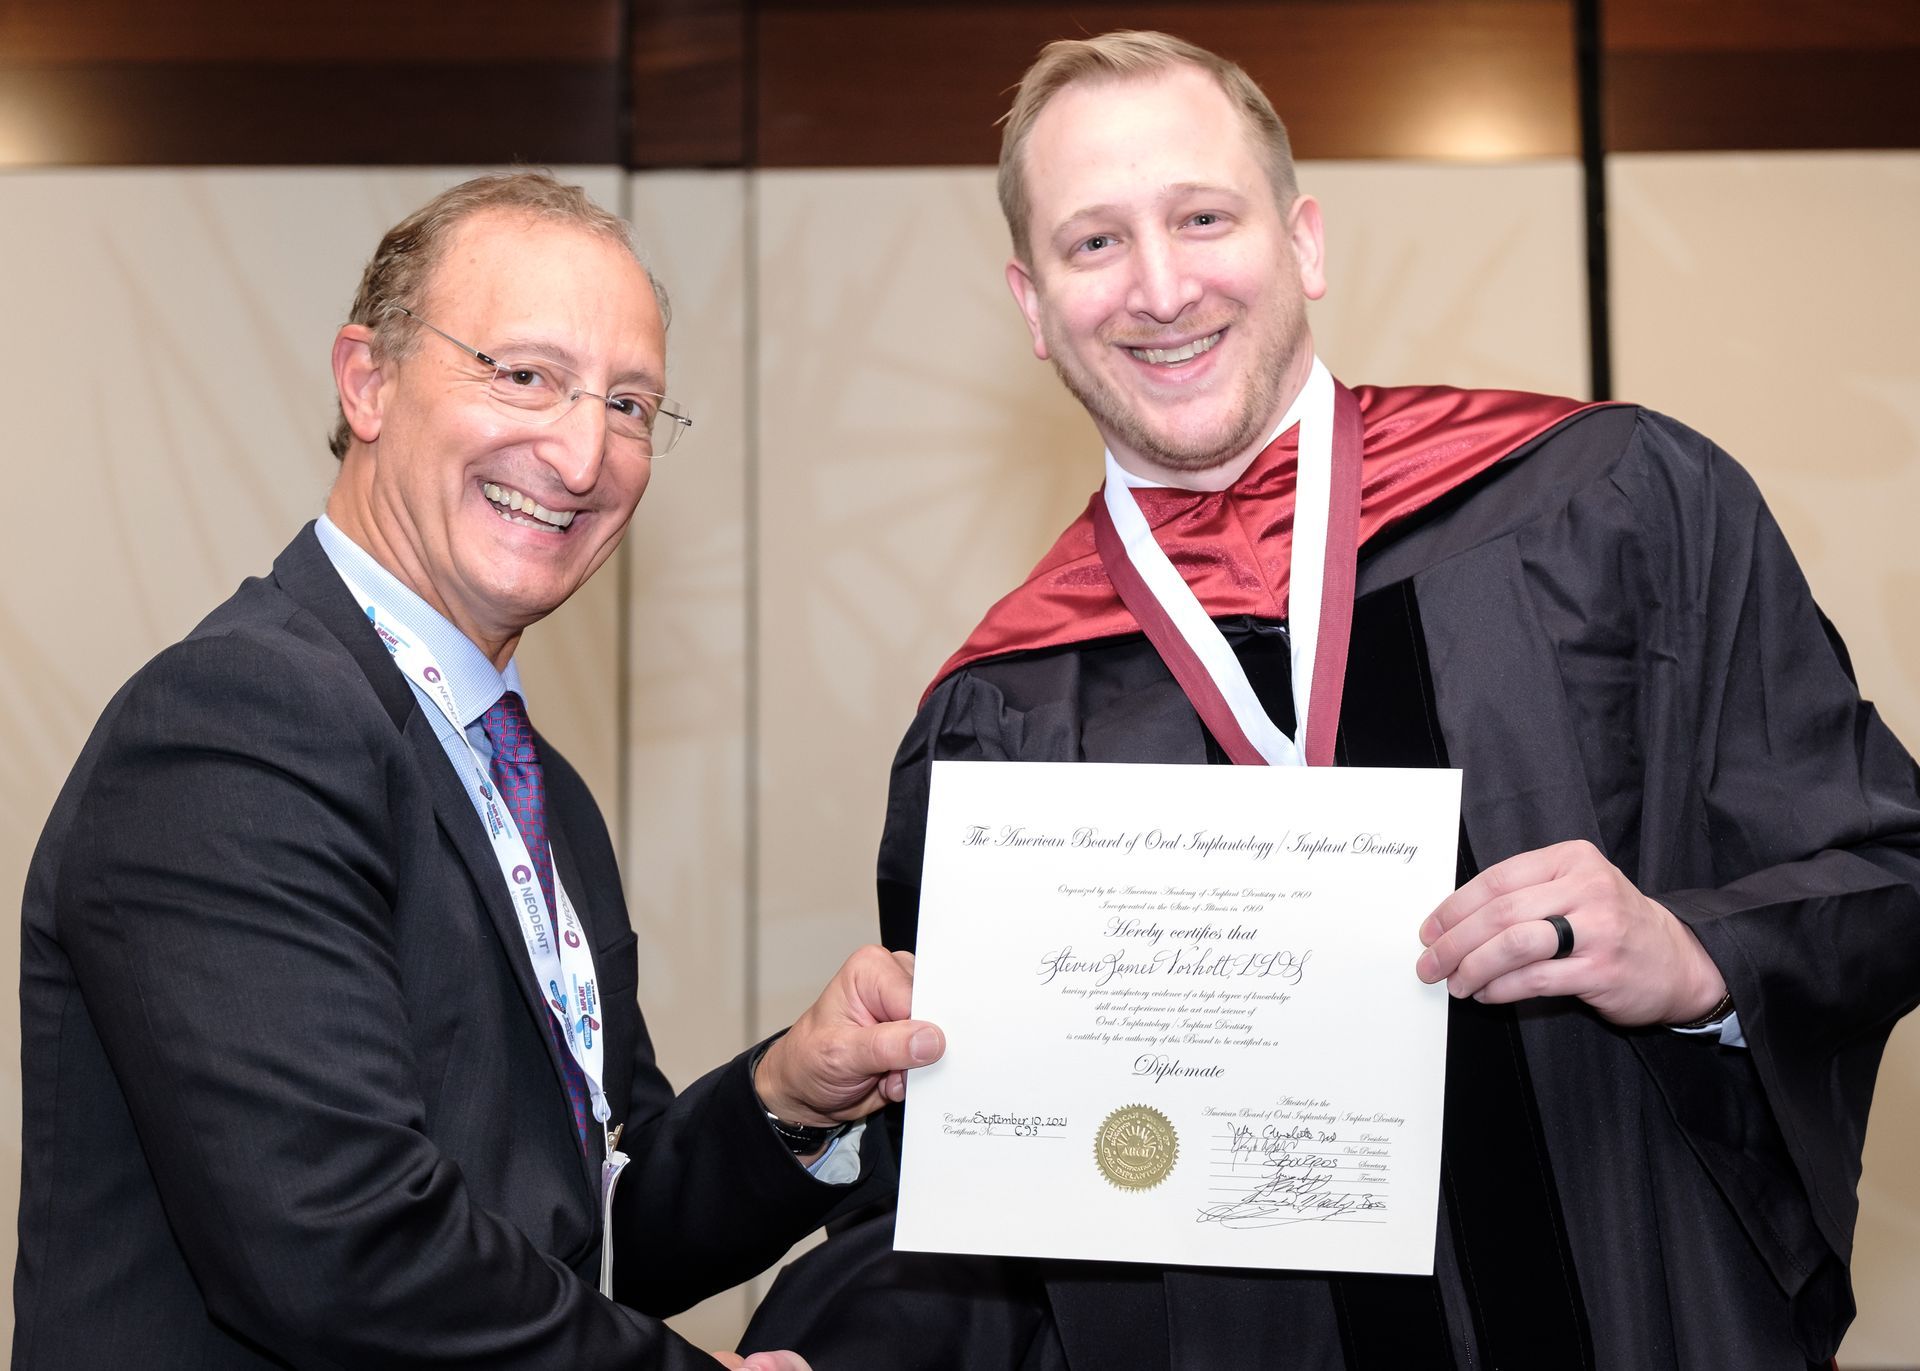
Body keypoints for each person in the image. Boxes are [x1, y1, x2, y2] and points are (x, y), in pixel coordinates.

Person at [741, 30, 1920, 1371]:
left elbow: (1891, 868)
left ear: (1303, 242)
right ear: (1032, 305)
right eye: (1095, 242)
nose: (1162, 287)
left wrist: (1693, 955)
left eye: (1203, 217)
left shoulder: (1608, 506)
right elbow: (982, 1183)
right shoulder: (1005, 711)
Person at [14, 171, 944, 1370]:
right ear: (368, 381)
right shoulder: (237, 722)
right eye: (525, 376)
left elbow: (586, 1231)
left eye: (628, 404)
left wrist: (789, 1097)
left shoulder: (532, 779)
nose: (581, 453)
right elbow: (338, 1248)